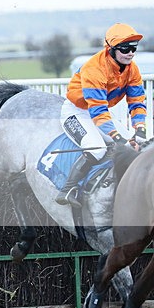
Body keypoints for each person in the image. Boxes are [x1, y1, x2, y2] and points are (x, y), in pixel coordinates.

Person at [55, 23, 147, 207]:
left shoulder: (132, 68)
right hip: (78, 112)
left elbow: (137, 101)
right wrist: (116, 136)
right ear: (111, 49)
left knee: (132, 146)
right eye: (125, 48)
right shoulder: (94, 69)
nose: (130, 53)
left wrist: (140, 128)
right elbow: (97, 110)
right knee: (97, 149)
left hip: (100, 111)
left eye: (133, 48)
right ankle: (67, 190)